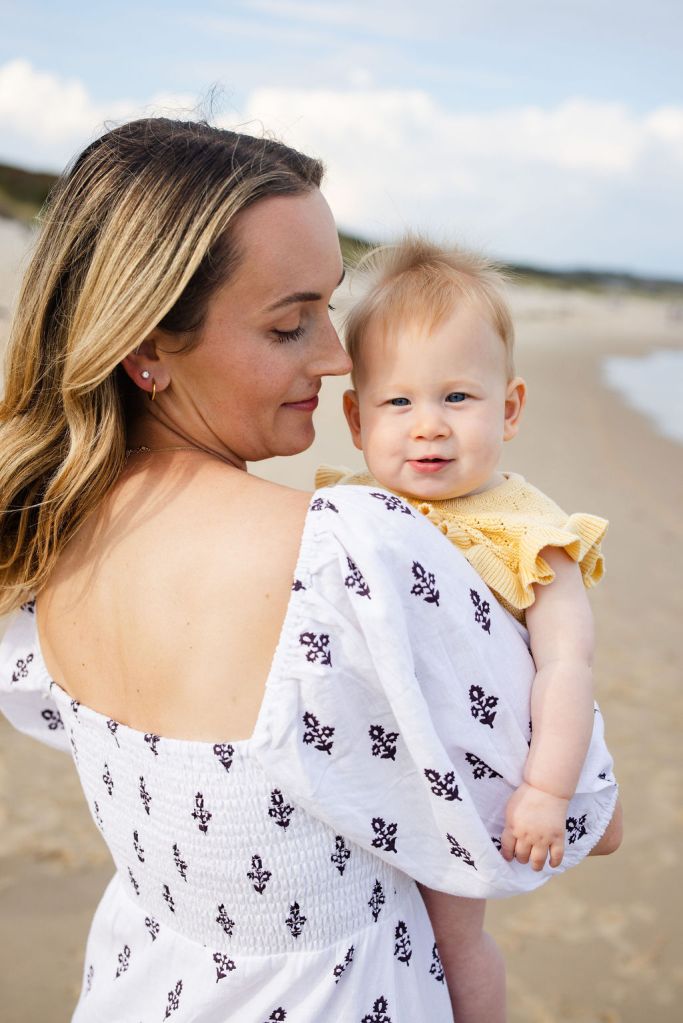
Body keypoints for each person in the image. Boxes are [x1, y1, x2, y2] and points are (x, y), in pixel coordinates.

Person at [0, 119, 619, 1023]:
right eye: (290, 323)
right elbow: (593, 822)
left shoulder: (43, 533)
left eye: (330, 305)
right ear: (145, 351)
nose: (335, 357)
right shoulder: (346, 554)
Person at [316, 234, 618, 1020]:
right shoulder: (349, 510)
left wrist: (547, 790)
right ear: (354, 417)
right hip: (380, 768)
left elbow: (567, 666)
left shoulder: (526, 531)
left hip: (479, 786)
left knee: (453, 941)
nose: (428, 427)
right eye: (397, 402)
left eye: (456, 397)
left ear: (508, 408)